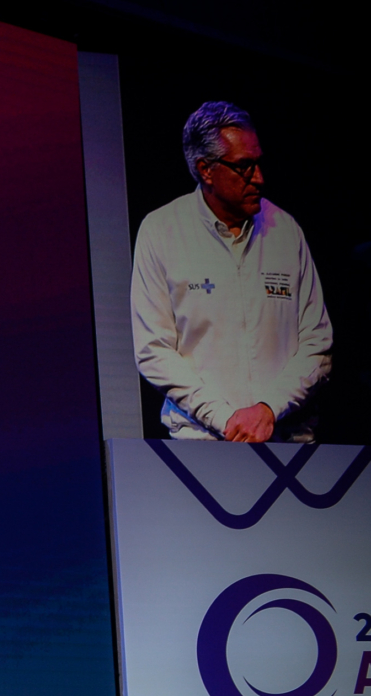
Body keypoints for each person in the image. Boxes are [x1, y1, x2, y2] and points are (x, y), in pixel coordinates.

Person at [131, 101, 333, 442]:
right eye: (244, 167)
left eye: (259, 163)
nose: (259, 178)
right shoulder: (161, 231)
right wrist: (225, 419)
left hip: (287, 439)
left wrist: (268, 409)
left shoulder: (285, 230)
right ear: (205, 170)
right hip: (202, 445)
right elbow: (153, 350)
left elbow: (318, 343)